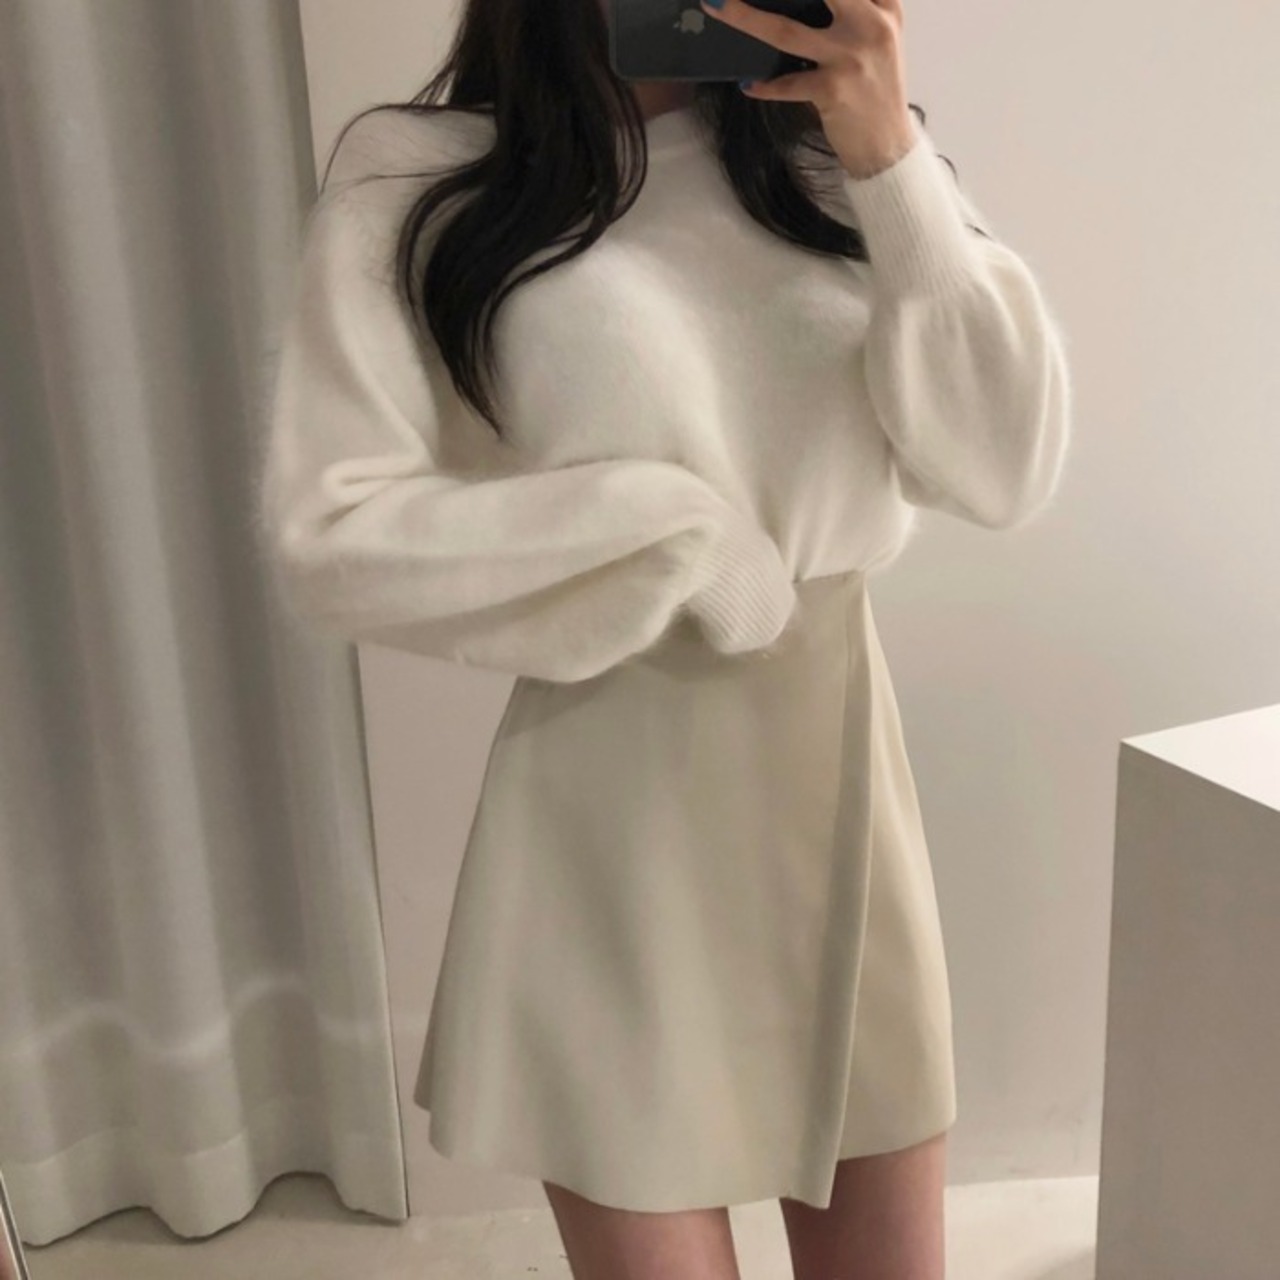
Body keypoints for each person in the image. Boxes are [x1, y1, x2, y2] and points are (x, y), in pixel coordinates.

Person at [255, 0, 1072, 1275]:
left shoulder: (838, 156)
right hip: (606, 808)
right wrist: (671, 538)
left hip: (840, 782)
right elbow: (332, 530)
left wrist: (888, 161)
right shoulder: (417, 174)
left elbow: (1003, 466)